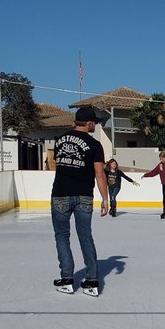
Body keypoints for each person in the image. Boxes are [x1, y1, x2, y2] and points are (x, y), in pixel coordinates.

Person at [51, 104, 108, 296]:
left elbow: (58, 164)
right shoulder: (94, 145)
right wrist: (105, 199)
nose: (95, 126)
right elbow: (100, 174)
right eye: (95, 123)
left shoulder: (59, 140)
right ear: (89, 122)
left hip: (60, 194)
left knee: (62, 236)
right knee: (85, 236)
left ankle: (67, 279)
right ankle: (91, 282)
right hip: (84, 195)